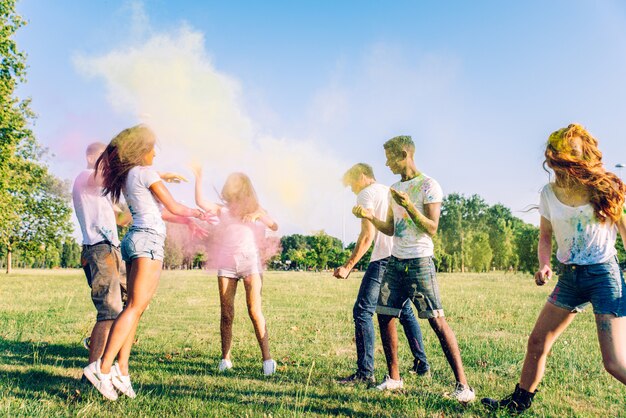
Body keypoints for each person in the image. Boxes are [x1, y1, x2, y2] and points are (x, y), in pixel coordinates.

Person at [482, 123, 626, 413]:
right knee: (537, 341)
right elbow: (545, 236)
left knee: (613, 362)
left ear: (582, 154)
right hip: (570, 278)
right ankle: (518, 402)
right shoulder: (548, 194)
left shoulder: (604, 189)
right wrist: (544, 264)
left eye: (571, 153)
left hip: (604, 276)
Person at [82, 125, 205, 401]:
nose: (155, 154)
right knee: (136, 306)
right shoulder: (146, 173)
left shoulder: (129, 176)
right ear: (142, 150)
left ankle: (121, 371)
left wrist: (189, 220)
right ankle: (102, 368)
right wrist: (199, 213)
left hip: (138, 238)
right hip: (148, 241)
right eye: (152, 149)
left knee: (135, 308)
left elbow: (158, 213)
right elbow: (173, 206)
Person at [353, 135, 475, 402]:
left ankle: (463, 387)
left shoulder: (429, 186)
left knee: (437, 321)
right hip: (396, 261)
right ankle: (394, 378)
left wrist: (409, 205)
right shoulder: (394, 188)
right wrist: (369, 216)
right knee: (384, 315)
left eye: (389, 157)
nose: (386, 163)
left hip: (419, 262)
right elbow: (391, 228)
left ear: (404, 154)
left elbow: (432, 228)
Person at [334, 163, 430, 385]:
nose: (352, 190)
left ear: (363, 176)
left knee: (362, 311)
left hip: (383, 259)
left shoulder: (366, 194)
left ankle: (365, 372)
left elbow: (367, 236)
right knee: (404, 310)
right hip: (400, 256)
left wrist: (348, 266)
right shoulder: (388, 190)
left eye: (352, 184)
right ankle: (421, 364)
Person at [193, 167, 279, 376]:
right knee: (226, 313)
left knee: (254, 311)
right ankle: (225, 359)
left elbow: (274, 225)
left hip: (250, 264)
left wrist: (258, 213)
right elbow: (200, 203)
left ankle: (268, 360)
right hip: (227, 265)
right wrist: (199, 178)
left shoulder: (256, 208)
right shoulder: (223, 209)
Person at [73, 143, 131, 371]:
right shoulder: (84, 176)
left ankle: (107, 355)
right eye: (103, 158)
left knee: (131, 304)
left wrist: (145, 198)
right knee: (109, 309)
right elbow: (99, 179)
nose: (108, 162)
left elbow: (122, 220)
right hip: (98, 249)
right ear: (90, 157)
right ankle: (94, 372)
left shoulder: (104, 193)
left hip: (113, 249)